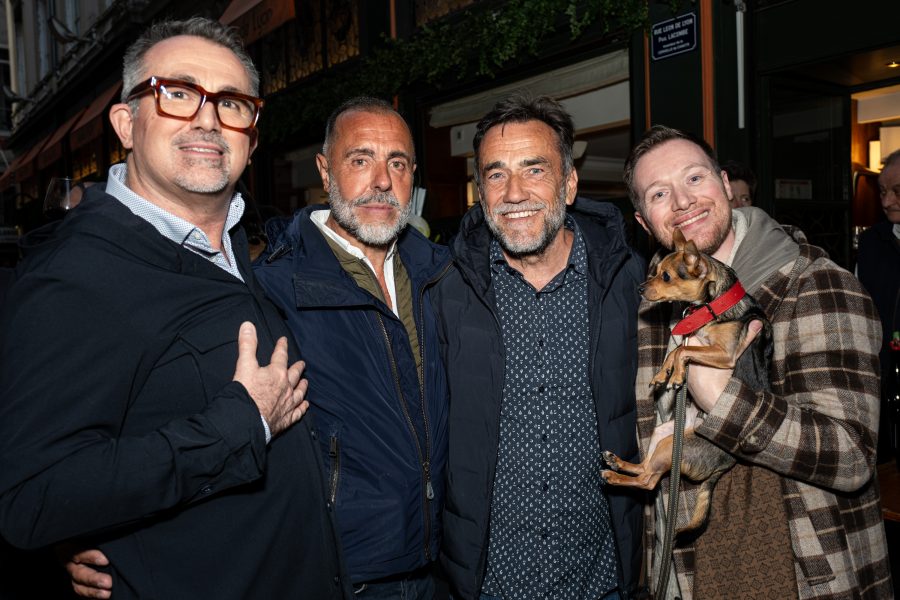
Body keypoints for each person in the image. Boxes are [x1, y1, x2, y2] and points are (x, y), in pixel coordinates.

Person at [0, 17, 349, 600]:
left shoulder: (240, 249)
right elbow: (31, 498)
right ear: (125, 124)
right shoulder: (75, 276)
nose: (208, 119)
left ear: (251, 138)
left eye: (231, 103)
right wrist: (241, 424)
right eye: (179, 94)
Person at [623, 125, 892, 599]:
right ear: (645, 222)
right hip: (690, 569)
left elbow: (851, 458)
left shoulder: (817, 285)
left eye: (694, 178)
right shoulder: (658, 305)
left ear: (726, 186)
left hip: (800, 571)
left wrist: (723, 398)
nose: (683, 202)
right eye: (659, 193)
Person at [432, 93, 645, 599]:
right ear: (480, 190)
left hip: (602, 579)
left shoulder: (626, 279)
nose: (514, 192)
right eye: (496, 174)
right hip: (490, 583)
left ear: (569, 184)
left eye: (534, 169)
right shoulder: (446, 289)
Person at [252, 97, 450, 597]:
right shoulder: (273, 289)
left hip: (440, 566)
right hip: (343, 572)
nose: (382, 181)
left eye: (397, 164)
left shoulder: (442, 273)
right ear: (325, 171)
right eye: (361, 160)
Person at [857, 147, 900, 463]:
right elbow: (860, 305)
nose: (887, 202)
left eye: (897, 191)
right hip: (883, 374)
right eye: (883, 192)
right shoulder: (872, 242)